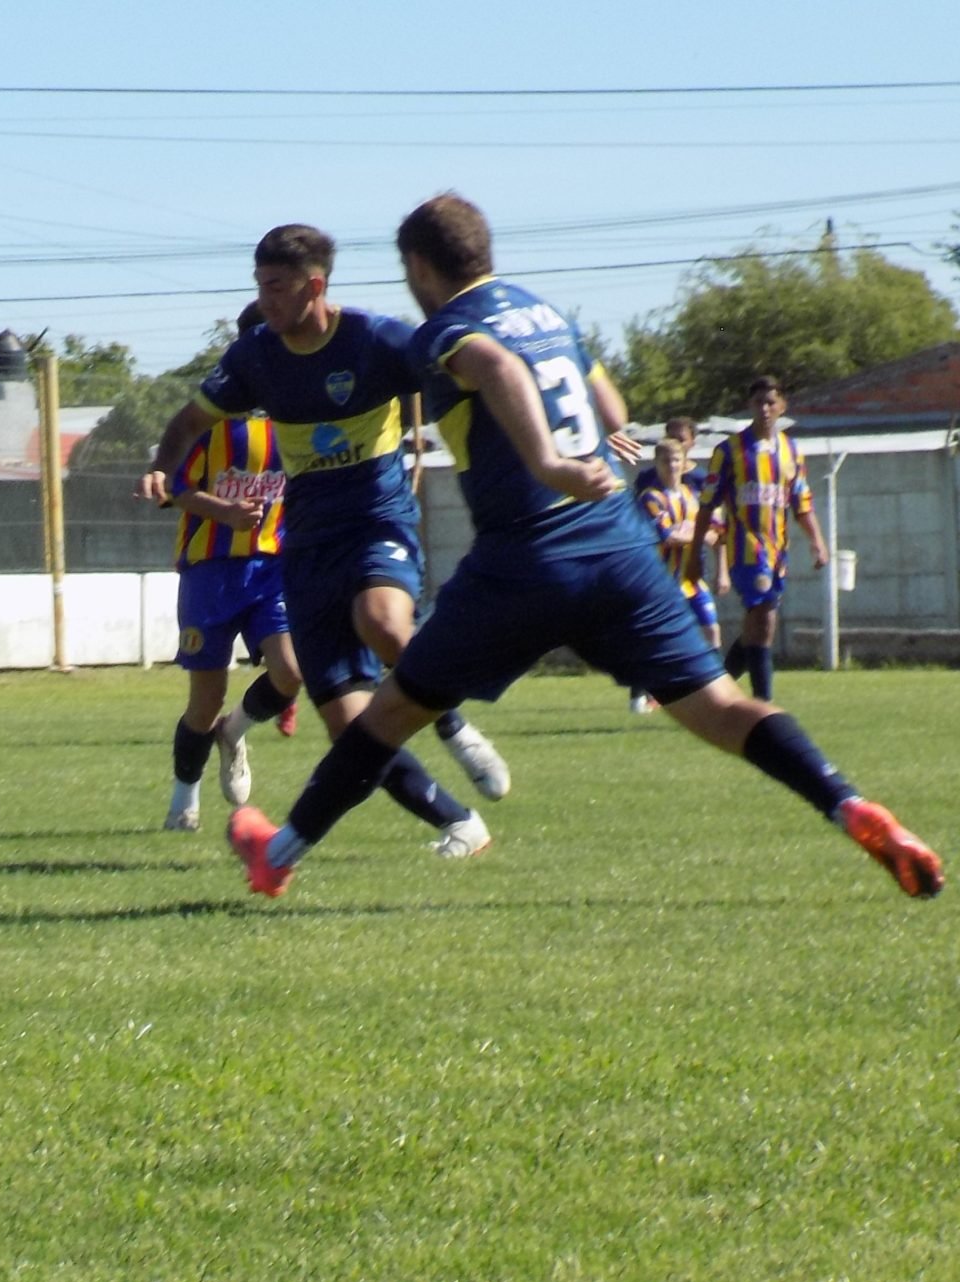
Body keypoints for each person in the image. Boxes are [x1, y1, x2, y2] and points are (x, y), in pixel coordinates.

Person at [227, 193, 942, 901]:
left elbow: (498, 369)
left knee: (387, 713)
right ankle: (848, 805)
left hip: (525, 560)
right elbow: (612, 409)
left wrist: (544, 462)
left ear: (418, 264)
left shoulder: (445, 329)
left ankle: (278, 854)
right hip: (620, 550)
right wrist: (579, 452)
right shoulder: (547, 314)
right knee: (723, 709)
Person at [143, 223, 498, 859]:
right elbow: (188, 421)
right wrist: (164, 468)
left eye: (275, 286)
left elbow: (467, 374)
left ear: (315, 285)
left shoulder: (376, 339)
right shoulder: (256, 357)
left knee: (383, 621)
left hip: (376, 524)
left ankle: (454, 725)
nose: (264, 298)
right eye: (258, 286)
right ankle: (460, 824)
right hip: (306, 550)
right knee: (352, 730)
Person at [154, 404, 301, 831]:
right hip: (209, 575)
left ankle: (233, 731)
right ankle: (184, 801)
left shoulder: (295, 420)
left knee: (290, 671)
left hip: (270, 570)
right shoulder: (208, 423)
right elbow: (174, 488)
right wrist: (225, 512)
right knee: (204, 702)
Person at [692, 376, 829, 701]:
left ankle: (715, 690)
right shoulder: (729, 451)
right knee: (765, 619)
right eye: (758, 402)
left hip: (777, 552)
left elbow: (801, 502)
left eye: (771, 402)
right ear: (750, 406)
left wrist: (817, 541)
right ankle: (763, 705)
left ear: (782, 406)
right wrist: (696, 551)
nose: (765, 409)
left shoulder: (791, 451)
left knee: (756, 628)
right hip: (745, 551)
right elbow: (706, 503)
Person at [626, 435, 721, 713]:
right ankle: (637, 696)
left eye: (676, 460)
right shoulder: (650, 498)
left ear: (684, 463)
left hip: (690, 581)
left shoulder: (693, 496)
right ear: (656, 464)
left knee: (711, 631)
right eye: (665, 461)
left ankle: (712, 695)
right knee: (651, 640)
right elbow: (667, 537)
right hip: (661, 581)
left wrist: (690, 533)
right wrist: (696, 533)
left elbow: (716, 533)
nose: (671, 465)